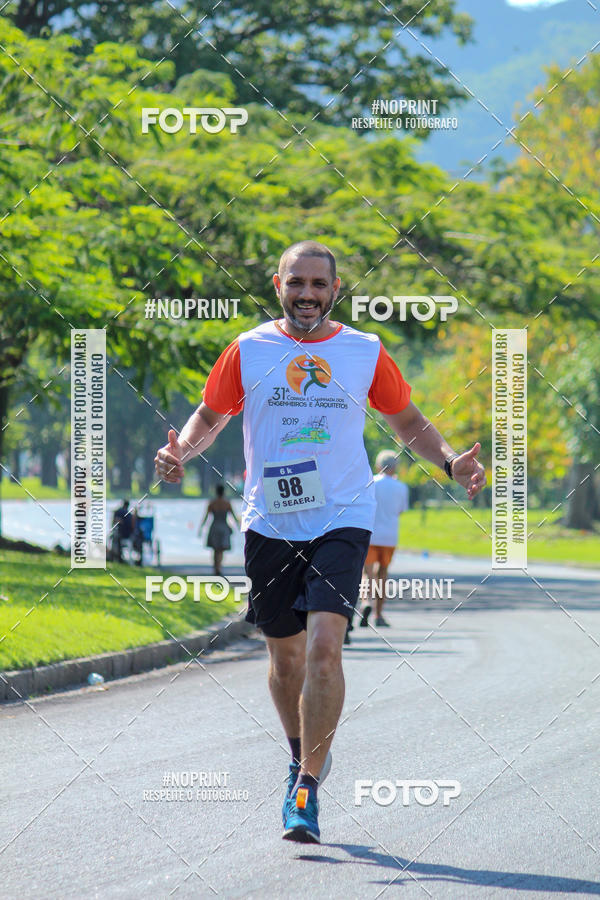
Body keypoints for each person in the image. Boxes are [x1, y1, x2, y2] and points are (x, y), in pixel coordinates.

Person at [154, 240, 486, 844]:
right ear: (277, 283)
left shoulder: (364, 351)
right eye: (296, 282)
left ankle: (305, 788)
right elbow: (210, 414)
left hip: (343, 514)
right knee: (285, 661)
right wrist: (181, 451)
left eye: (319, 284)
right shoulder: (249, 350)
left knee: (325, 649)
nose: (307, 293)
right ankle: (299, 752)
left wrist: (448, 462)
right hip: (271, 521)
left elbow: (406, 420)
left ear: (335, 289)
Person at [359, 450, 409, 628]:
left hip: (370, 533)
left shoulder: (370, 482)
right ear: (395, 467)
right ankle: (379, 615)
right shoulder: (401, 487)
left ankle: (365, 602)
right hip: (389, 536)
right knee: (382, 574)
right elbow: (401, 510)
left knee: (367, 573)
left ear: (378, 466)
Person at [199, 484, 239, 575]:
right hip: (224, 527)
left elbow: (206, 517)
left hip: (214, 527)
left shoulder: (212, 503)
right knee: (221, 550)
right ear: (223, 492)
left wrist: (201, 528)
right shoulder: (227, 503)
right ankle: (219, 567)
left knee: (215, 549)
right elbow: (234, 517)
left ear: (216, 492)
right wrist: (239, 526)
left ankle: (215, 567)